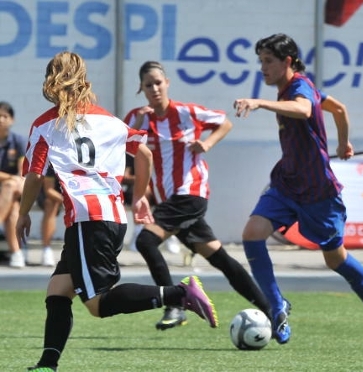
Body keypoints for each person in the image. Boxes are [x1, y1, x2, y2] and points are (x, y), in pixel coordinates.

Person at [16, 51, 218, 372]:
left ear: (51, 80)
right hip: (109, 217)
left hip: (87, 220)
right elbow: (145, 153)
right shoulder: (108, 120)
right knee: (58, 290)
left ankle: (179, 294)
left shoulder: (45, 125)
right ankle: (47, 364)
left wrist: (24, 213)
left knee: (97, 305)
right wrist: (139, 198)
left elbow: (35, 175)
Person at [233, 33, 363, 345]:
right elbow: (340, 109)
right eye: (260, 61)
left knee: (335, 260)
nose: (262, 68)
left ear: (287, 62)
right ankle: (276, 306)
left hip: (318, 191)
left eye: (268, 61)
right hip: (287, 183)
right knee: (252, 233)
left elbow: (305, 109)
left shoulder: (299, 87)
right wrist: (344, 141)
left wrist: (259, 103)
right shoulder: (290, 89)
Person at [124, 60, 272, 331]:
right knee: (220, 259)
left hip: (191, 193)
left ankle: (175, 305)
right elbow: (125, 148)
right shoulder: (138, 116)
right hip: (170, 201)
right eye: (148, 85)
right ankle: (272, 311)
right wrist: (138, 123)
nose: (154, 88)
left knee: (145, 241)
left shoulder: (186, 112)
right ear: (141, 89)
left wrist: (206, 143)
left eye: (158, 82)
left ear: (167, 83)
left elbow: (224, 123)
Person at [0, 101, 27, 268]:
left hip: (18, 186)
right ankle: (16, 253)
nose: (1, 120)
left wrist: (13, 180)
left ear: (12, 120)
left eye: (5, 116)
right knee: (13, 210)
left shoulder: (18, 141)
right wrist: (11, 178)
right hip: (8, 190)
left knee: (11, 186)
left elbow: (23, 171)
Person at [35, 166, 60, 267]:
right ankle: (47, 249)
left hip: (75, 194)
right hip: (53, 194)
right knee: (50, 203)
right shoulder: (53, 163)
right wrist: (65, 200)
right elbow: (49, 190)